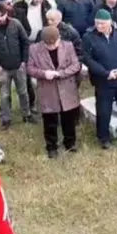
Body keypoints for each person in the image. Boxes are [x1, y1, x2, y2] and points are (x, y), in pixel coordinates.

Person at [25, 25, 82, 157]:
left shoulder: (68, 46)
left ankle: (70, 143)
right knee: (49, 120)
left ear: (59, 38)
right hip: (47, 90)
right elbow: (30, 69)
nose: (51, 47)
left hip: (67, 88)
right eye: (48, 45)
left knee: (68, 118)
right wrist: (44, 74)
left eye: (54, 44)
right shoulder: (34, 49)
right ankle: (51, 146)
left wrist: (60, 73)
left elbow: (76, 65)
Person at [82, 10, 117, 148]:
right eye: (97, 23)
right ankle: (103, 137)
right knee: (103, 110)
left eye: (102, 23)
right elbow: (87, 59)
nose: (99, 26)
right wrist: (105, 73)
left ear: (110, 22)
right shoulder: (89, 37)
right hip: (103, 80)